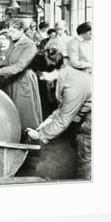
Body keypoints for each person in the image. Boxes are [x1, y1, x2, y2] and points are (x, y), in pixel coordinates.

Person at [26, 48, 92, 179]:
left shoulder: (73, 85)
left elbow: (63, 120)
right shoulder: (64, 73)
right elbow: (63, 108)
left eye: (41, 74)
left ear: (51, 69)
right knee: (80, 147)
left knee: (86, 157)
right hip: (83, 115)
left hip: (91, 119)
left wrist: (40, 134)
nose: (41, 78)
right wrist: (44, 124)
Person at [0, 19, 43, 130]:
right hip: (11, 80)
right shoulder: (14, 43)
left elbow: (19, 66)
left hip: (23, 81)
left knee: (24, 113)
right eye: (9, 31)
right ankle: (13, 134)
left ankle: (27, 139)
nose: (9, 34)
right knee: (11, 110)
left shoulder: (29, 46)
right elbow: (8, 60)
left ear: (21, 31)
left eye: (13, 31)